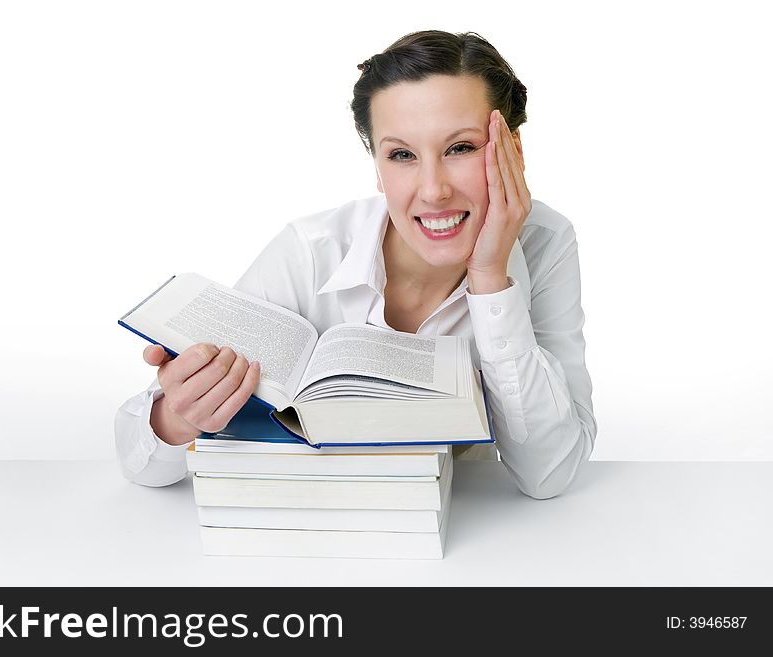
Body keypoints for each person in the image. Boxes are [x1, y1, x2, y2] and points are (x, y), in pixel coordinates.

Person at [115, 30, 596, 500]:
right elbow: (137, 461)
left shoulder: (545, 243)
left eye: (460, 148)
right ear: (378, 166)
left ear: (513, 151)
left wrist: (492, 282)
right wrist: (175, 418)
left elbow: (550, 473)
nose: (433, 190)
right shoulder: (310, 250)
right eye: (402, 155)